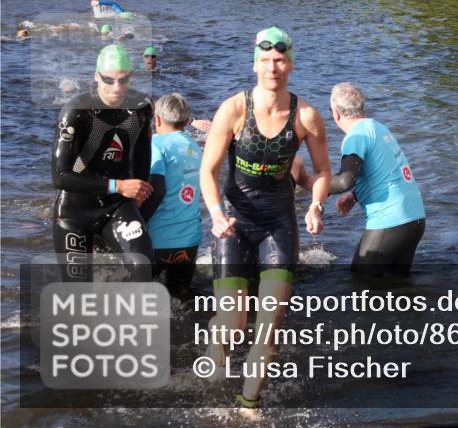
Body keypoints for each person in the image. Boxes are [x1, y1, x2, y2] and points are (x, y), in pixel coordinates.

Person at [200, 26, 331, 411]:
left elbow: (322, 172)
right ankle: (216, 340)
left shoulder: (306, 115)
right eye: (265, 60)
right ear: (254, 64)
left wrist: (316, 204)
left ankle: (248, 406)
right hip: (235, 222)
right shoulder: (234, 109)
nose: (272, 67)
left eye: (280, 60)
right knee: (233, 323)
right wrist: (215, 214)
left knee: (269, 323)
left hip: (278, 223)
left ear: (290, 64)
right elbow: (208, 171)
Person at [51, 45, 154, 281]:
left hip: (116, 206)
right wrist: (117, 186)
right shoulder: (77, 111)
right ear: (96, 77)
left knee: (143, 268)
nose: (116, 87)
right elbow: (60, 176)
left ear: (131, 76)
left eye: (123, 79)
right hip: (74, 211)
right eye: (109, 80)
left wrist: (138, 191)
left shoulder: (141, 108)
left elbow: (141, 158)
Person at [329, 83, 426, 277]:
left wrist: (310, 183)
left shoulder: (355, 136)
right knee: (398, 288)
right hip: (415, 219)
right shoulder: (379, 128)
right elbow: (388, 171)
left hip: (390, 222)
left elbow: (344, 181)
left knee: (359, 285)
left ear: (336, 113)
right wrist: (355, 196)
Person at [143, 93, 203, 299]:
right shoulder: (195, 147)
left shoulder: (156, 145)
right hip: (189, 240)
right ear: (187, 121)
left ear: (157, 119)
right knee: (180, 297)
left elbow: (156, 189)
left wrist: (138, 223)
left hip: (157, 240)